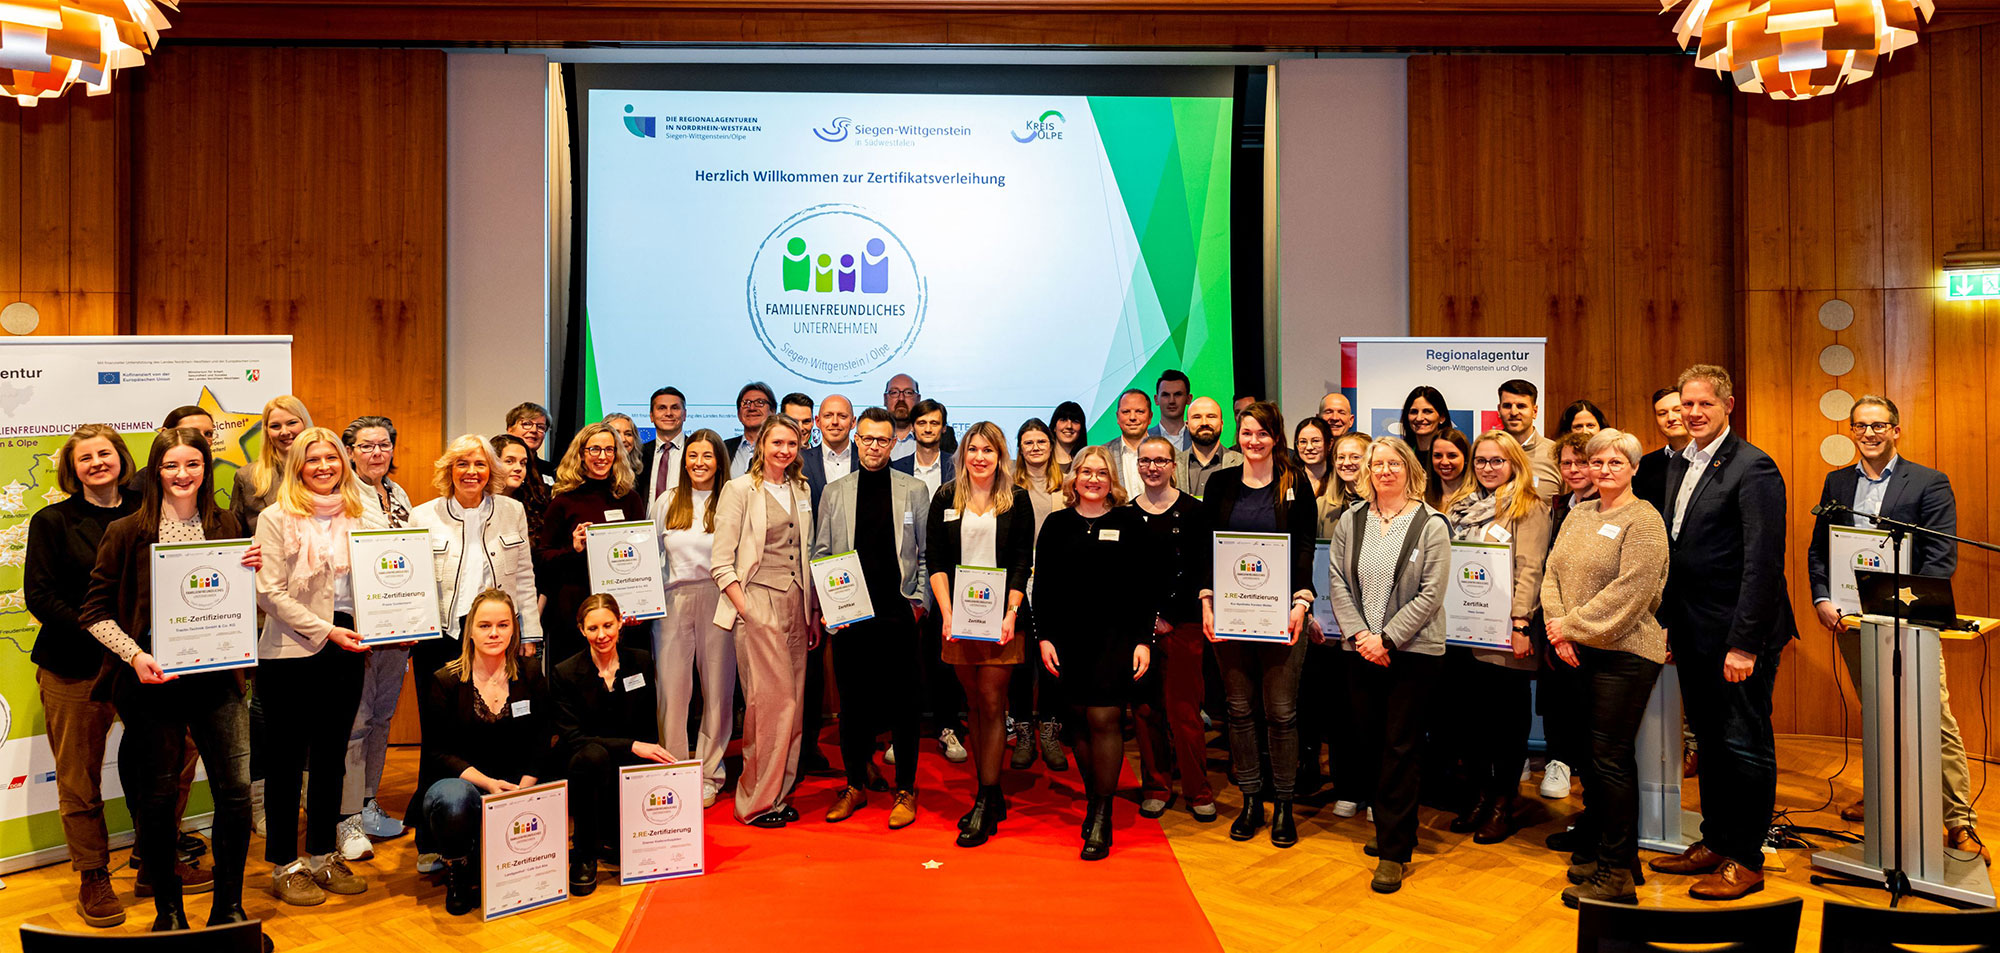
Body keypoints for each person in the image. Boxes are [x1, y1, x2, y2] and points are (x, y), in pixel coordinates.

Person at [82, 428, 260, 933]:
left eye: (193, 464)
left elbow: (234, 601)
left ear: (206, 468)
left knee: (235, 794)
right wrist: (135, 656)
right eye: (171, 466)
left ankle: (228, 910)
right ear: (155, 471)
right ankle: (169, 913)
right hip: (153, 684)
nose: (183, 475)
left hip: (217, 680)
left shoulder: (228, 525)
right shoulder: (125, 531)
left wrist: (253, 571)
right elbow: (93, 613)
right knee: (159, 799)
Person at [1805, 396, 1985, 864]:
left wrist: (1902, 607)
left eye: (1878, 425)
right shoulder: (1837, 482)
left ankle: (1958, 820)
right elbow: (1820, 549)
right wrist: (1823, 598)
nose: (1869, 433)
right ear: (1852, 431)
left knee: (1933, 716)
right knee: (1879, 712)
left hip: (1911, 622)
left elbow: (1940, 558)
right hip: (1851, 621)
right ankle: (1884, 796)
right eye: (1860, 426)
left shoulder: (1928, 481)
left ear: (1896, 430)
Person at [1649, 364, 1797, 900]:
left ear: (1728, 406)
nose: (1692, 413)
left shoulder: (1754, 467)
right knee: (1711, 743)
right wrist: (1668, 625)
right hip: (1694, 631)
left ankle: (1746, 859)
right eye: (1686, 404)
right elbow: (1679, 551)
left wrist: (1744, 644)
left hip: (1738, 636)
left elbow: (1763, 563)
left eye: (1704, 404)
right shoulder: (1682, 462)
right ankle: (1715, 841)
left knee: (1744, 745)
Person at [1541, 428, 1670, 906]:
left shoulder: (1645, 520)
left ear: (1634, 468)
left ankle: (1616, 876)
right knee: (1591, 761)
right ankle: (1614, 856)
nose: (1604, 470)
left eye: (1615, 462)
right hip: (1577, 649)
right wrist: (1560, 629)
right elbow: (1552, 573)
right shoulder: (1580, 514)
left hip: (1625, 654)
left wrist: (1570, 627)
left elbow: (1632, 593)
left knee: (1610, 761)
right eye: (1597, 462)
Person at [252, 426, 374, 903]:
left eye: (331, 458)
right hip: (290, 652)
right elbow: (269, 593)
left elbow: (383, 579)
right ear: (297, 466)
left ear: (344, 463)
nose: (324, 467)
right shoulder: (275, 517)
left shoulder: (362, 514)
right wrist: (326, 631)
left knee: (331, 759)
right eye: (313, 459)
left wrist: (389, 622)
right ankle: (285, 864)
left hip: (348, 646)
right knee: (285, 763)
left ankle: (323, 854)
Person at [1325, 436, 1451, 894]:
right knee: (1372, 744)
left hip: (1412, 653)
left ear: (1409, 469)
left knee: (1400, 747)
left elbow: (1431, 593)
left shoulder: (1431, 523)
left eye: (1394, 463)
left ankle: (1394, 852)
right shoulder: (1351, 520)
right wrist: (1363, 637)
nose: (1384, 471)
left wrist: (1388, 639)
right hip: (1361, 650)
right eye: (1377, 464)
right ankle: (1393, 829)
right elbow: (1337, 581)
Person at [28, 425, 143, 927]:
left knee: (167, 761)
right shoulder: (52, 521)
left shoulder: (148, 510)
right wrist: (104, 633)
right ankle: (93, 874)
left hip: (143, 665)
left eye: (104, 453)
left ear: (121, 458)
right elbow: (40, 596)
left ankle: (153, 859)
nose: (97, 463)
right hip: (74, 666)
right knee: (79, 778)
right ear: (72, 469)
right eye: (85, 458)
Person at [1198, 402, 1316, 849]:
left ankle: (1283, 804)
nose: (1254, 441)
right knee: (1239, 710)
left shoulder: (1295, 482)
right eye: (1247, 433)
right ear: (1238, 434)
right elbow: (1207, 547)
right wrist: (1207, 600)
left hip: (1282, 616)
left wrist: (1301, 602)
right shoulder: (1220, 483)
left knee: (1281, 713)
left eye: (1263, 434)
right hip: (1231, 614)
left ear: (1276, 437)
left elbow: (1304, 546)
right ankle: (1251, 800)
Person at [811, 407, 932, 828]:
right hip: (850, 616)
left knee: (904, 706)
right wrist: (830, 608)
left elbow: (925, 554)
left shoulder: (914, 489)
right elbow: (821, 553)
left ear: (894, 442)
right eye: (867, 438)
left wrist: (918, 603)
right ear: (856, 439)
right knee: (853, 706)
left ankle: (906, 789)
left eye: (883, 439)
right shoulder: (835, 491)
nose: (874, 446)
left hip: (898, 614)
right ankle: (854, 785)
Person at [1036, 446, 1154, 860]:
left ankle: (1102, 815)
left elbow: (1144, 586)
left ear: (1112, 480)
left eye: (1101, 472)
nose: (1093, 479)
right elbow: (1044, 585)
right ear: (1074, 478)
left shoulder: (1129, 522)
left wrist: (1143, 640)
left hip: (1115, 638)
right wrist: (1044, 637)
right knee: (1078, 722)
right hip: (1067, 639)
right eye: (1085, 471)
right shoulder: (1056, 524)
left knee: (1104, 717)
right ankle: (1093, 799)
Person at [412, 588, 551, 917]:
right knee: (453, 800)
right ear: (470, 631)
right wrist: (488, 784)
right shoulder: (445, 680)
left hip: (517, 783)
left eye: (503, 625)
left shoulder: (530, 673)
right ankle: (458, 869)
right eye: (485, 625)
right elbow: (437, 753)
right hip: (465, 783)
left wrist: (524, 787)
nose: (494, 633)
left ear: (514, 629)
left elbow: (543, 736)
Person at [927, 422, 1034, 847]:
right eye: (973, 449)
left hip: (1002, 619)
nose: (979, 457)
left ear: (1000, 455)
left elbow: (1022, 562)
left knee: (991, 701)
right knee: (973, 703)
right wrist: (947, 614)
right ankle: (990, 792)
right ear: (963, 454)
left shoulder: (1017, 499)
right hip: (958, 619)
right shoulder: (945, 497)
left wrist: (1011, 613)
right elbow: (935, 561)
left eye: (988, 450)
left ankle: (986, 798)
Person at [1440, 431, 1549, 845]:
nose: (1488, 468)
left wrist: (1521, 623)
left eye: (1497, 461)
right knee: (1471, 722)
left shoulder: (1528, 506)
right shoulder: (1461, 506)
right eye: (1481, 460)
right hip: (1462, 633)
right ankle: (1479, 796)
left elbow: (1530, 568)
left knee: (1506, 725)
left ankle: (1504, 803)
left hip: (1505, 634)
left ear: (1514, 463)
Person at [712, 415, 818, 827]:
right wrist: (747, 610)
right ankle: (753, 803)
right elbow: (721, 562)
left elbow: (805, 553)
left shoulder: (801, 488)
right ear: (761, 445)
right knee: (769, 704)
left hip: (797, 603)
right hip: (757, 602)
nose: (784, 450)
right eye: (777, 443)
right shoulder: (739, 490)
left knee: (795, 706)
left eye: (792, 443)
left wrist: (812, 611)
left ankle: (778, 795)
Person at [410, 433, 544, 720]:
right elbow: (414, 584)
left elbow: (524, 575)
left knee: (494, 715)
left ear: (491, 470)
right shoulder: (422, 516)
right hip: (442, 635)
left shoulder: (512, 511)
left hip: (496, 633)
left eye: (480, 464)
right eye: (462, 464)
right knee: (439, 720)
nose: (471, 472)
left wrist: (530, 632)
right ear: (449, 470)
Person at [552, 593, 667, 894]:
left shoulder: (640, 661)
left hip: (626, 760)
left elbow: (646, 728)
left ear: (620, 623)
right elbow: (574, 738)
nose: (601, 635)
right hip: (583, 761)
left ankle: (623, 836)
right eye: (593, 628)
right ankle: (584, 854)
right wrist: (630, 745)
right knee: (594, 757)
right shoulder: (565, 673)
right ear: (581, 630)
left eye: (608, 625)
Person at [336, 416, 414, 857]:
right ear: (349, 452)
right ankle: (345, 818)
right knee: (355, 722)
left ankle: (367, 803)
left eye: (383, 444)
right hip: (357, 625)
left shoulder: (398, 494)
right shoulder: (341, 494)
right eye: (366, 446)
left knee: (382, 719)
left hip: (397, 628)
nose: (376, 453)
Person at [1127, 437, 1215, 822]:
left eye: (1160, 460)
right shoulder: (1126, 515)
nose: (1152, 467)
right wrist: (1149, 618)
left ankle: (1198, 790)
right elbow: (1125, 579)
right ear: (1137, 466)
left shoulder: (1195, 511)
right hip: (1140, 628)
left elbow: (1204, 568)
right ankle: (1156, 787)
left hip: (1185, 624)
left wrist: (1172, 617)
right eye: (1145, 461)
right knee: (1146, 710)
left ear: (1173, 465)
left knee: (1185, 712)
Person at [653, 429, 735, 808]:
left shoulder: (731, 500)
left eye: (707, 456)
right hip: (672, 600)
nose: (699, 463)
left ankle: (709, 774)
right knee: (672, 691)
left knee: (717, 690)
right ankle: (673, 770)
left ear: (719, 461)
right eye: (692, 455)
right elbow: (649, 555)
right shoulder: (667, 501)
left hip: (719, 598)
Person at [535, 422, 647, 663]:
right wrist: (573, 549)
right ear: (581, 454)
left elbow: (641, 556)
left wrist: (637, 604)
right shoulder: (563, 501)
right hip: (573, 609)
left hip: (617, 608)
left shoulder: (630, 499)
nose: (602, 456)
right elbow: (543, 558)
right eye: (594, 449)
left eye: (609, 449)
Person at [1537, 427, 1599, 809]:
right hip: (1554, 622)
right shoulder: (1559, 506)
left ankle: (1593, 801)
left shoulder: (1610, 507)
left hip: (1592, 627)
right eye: (1566, 463)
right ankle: (1557, 761)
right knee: (1556, 699)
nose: (1574, 469)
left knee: (1590, 711)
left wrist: (1574, 625)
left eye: (1582, 462)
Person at [1009, 419, 1070, 771]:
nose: (1035, 448)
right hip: (1018, 580)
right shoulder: (1007, 484)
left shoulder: (1068, 484)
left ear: (1051, 445)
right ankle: (1023, 732)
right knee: (1020, 661)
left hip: (1057, 582)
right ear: (1020, 447)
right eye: (1028, 442)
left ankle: (1049, 729)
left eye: (1041, 441)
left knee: (1052, 660)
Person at [231, 395, 311, 533]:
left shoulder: (324, 472)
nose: (284, 432)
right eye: (275, 426)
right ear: (267, 431)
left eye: (292, 423)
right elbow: (236, 534)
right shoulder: (247, 477)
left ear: (305, 424)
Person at [1496, 379, 1560, 500]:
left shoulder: (1556, 453)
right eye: (1507, 406)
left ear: (1534, 411)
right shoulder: (1485, 452)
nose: (1514, 412)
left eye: (1521, 406)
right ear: (1499, 410)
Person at [1633, 387, 1689, 514]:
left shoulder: (1708, 457)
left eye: (1678, 410)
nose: (1671, 418)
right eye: (1662, 413)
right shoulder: (1645, 465)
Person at [637, 386, 687, 519]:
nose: (668, 413)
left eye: (675, 408)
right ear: (651, 416)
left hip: (685, 526)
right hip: (646, 527)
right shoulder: (639, 453)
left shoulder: (695, 451)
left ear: (684, 415)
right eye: (662, 408)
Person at [802, 393, 857, 510]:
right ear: (818, 421)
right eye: (828, 416)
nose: (835, 422)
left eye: (842, 416)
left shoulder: (867, 459)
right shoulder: (801, 461)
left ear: (853, 422)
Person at [503, 402, 555, 523]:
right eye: (526, 424)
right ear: (510, 429)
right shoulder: (495, 463)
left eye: (541, 427)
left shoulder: (551, 469)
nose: (534, 430)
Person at [890, 398, 955, 495]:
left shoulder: (957, 468)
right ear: (912, 427)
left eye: (934, 423)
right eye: (922, 423)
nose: (928, 429)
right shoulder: (896, 468)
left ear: (944, 428)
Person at [886, 373, 957, 460]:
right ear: (885, 399)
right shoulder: (873, 434)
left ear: (918, 399)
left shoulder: (945, 435)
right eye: (894, 392)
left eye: (908, 393)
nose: (901, 398)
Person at [1184, 396, 1244, 496]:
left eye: (1211, 416)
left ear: (1221, 424)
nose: (1204, 423)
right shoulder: (1173, 465)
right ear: (1187, 424)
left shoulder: (1242, 463)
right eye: (1197, 417)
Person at [1400, 386, 1449, 488]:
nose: (1419, 418)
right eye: (1414, 412)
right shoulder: (1401, 456)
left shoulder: (1451, 457)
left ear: (1442, 417)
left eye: (1427, 411)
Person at [725, 382, 776, 477]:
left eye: (760, 402)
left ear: (772, 412)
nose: (752, 408)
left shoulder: (781, 449)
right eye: (746, 403)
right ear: (739, 414)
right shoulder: (725, 448)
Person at [1425, 427, 1472, 511]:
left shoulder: (1478, 498)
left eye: (1452, 456)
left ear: (1466, 457)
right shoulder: (1421, 497)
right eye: (1438, 456)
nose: (1444, 462)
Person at [1147, 370, 1194, 451]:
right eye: (1165, 395)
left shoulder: (1198, 439)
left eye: (1177, 394)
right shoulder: (1145, 438)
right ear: (1156, 399)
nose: (1171, 401)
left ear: (1189, 399)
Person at [1294, 417, 1334, 497]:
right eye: (1303, 442)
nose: (1309, 447)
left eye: (1316, 441)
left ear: (1330, 444)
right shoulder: (1289, 480)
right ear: (1297, 445)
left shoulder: (1339, 481)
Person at [1049, 400, 1088, 466]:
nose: (1069, 426)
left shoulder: (1088, 461)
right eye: (1063, 420)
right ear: (1054, 427)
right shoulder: (1042, 462)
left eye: (1075, 421)